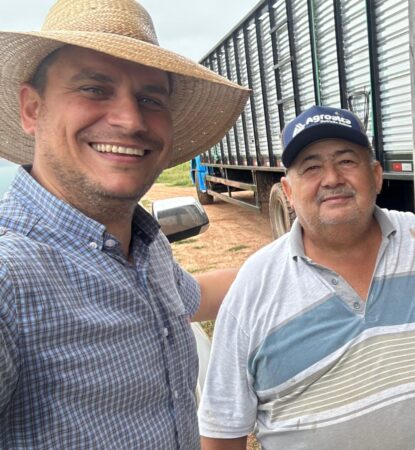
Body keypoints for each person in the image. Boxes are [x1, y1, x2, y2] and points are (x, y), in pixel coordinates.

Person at [0, 0, 250, 448]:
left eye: (151, 98)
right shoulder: (9, 276)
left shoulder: (145, 246)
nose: (131, 120)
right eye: (95, 89)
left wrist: (303, 254)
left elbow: (195, 296)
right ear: (32, 109)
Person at [199, 105, 415, 449]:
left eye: (347, 161)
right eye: (311, 167)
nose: (332, 178)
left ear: (377, 175)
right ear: (288, 192)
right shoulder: (254, 287)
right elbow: (222, 430)